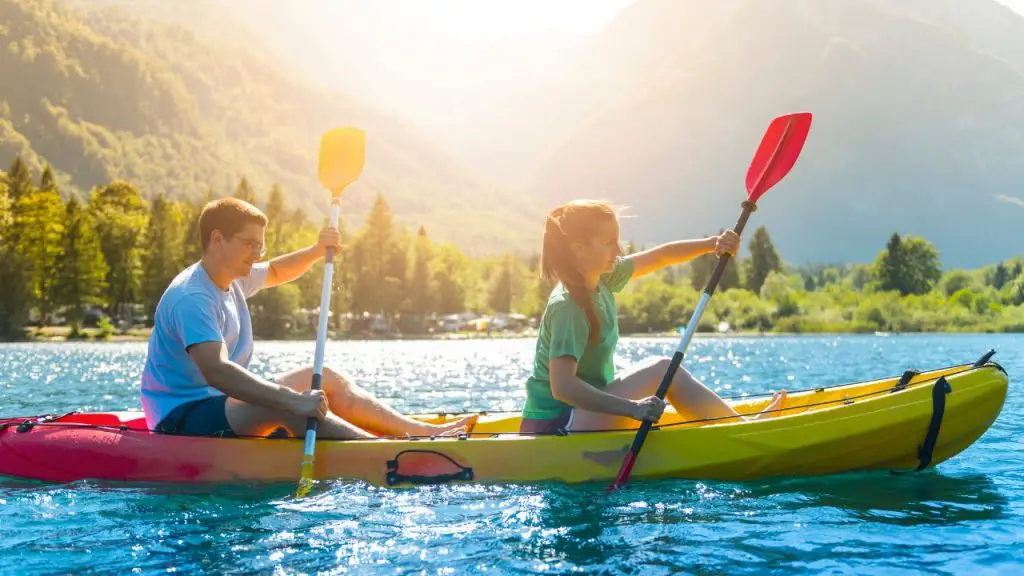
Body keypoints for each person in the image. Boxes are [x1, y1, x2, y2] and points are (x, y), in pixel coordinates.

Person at [140, 197, 477, 439]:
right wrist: (292, 401)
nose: (257, 254)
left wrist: (317, 251)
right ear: (217, 238)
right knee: (287, 408)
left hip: (220, 403)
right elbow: (217, 372)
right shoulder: (192, 297)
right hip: (182, 416)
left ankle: (424, 432)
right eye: (250, 244)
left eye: (260, 245)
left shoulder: (234, 275)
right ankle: (380, 452)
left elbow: (275, 270)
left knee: (325, 376)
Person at [520, 199, 787, 434]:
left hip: (581, 414)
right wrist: (632, 409)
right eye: (609, 242)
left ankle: (735, 426)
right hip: (556, 425)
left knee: (662, 370)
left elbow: (660, 257)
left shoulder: (602, 277)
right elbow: (563, 388)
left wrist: (713, 245)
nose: (618, 250)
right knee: (661, 369)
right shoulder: (568, 306)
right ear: (579, 249)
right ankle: (741, 430)